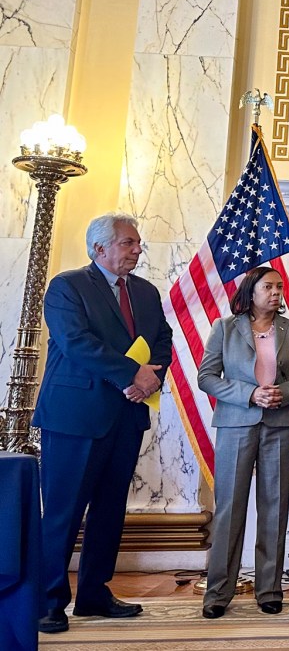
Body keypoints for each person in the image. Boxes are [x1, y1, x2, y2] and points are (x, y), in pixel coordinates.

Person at [34, 213, 173, 634]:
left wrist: (151, 376)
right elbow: (76, 342)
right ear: (100, 249)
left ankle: (94, 595)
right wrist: (132, 375)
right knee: (63, 513)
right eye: (129, 243)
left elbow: (163, 341)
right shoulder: (67, 286)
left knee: (110, 512)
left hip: (126, 416)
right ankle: (49, 601)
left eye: (137, 243)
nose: (137, 249)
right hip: (74, 418)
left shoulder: (146, 292)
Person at [197, 266, 289, 619]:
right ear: (251, 292)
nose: (276, 293)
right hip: (236, 425)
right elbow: (207, 377)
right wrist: (250, 394)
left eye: (279, 287)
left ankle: (269, 589)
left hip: (279, 424)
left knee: (274, 508)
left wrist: (285, 392)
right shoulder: (225, 328)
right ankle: (218, 593)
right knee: (229, 510)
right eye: (268, 287)